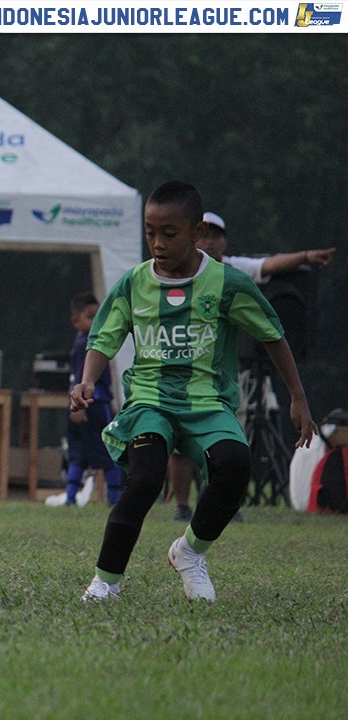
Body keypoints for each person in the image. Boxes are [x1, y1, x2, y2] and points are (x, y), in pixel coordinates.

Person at [73, 181, 316, 603]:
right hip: (149, 400)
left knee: (236, 464)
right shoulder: (133, 283)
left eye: (169, 233)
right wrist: (88, 380)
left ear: (197, 232)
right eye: (150, 232)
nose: (157, 243)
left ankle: (189, 552)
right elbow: (104, 337)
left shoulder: (227, 283)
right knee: (145, 478)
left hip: (208, 402)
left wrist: (297, 397)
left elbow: (273, 335)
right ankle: (105, 583)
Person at [167, 211, 336, 521]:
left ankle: (223, 503)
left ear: (224, 242)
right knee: (181, 441)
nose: (210, 242)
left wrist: (307, 256)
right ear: (193, 237)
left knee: (229, 439)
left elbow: (272, 264)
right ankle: (182, 505)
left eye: (217, 236)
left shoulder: (234, 269)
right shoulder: (174, 274)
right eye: (205, 235)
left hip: (228, 374)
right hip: (184, 372)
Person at [62, 291, 122, 506]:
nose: (97, 321)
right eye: (90, 316)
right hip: (92, 403)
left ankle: (71, 497)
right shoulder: (89, 345)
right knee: (110, 451)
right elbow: (81, 378)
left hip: (84, 403)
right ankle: (115, 499)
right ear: (76, 321)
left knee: (80, 454)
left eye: (100, 316)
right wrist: (79, 407)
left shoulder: (82, 342)